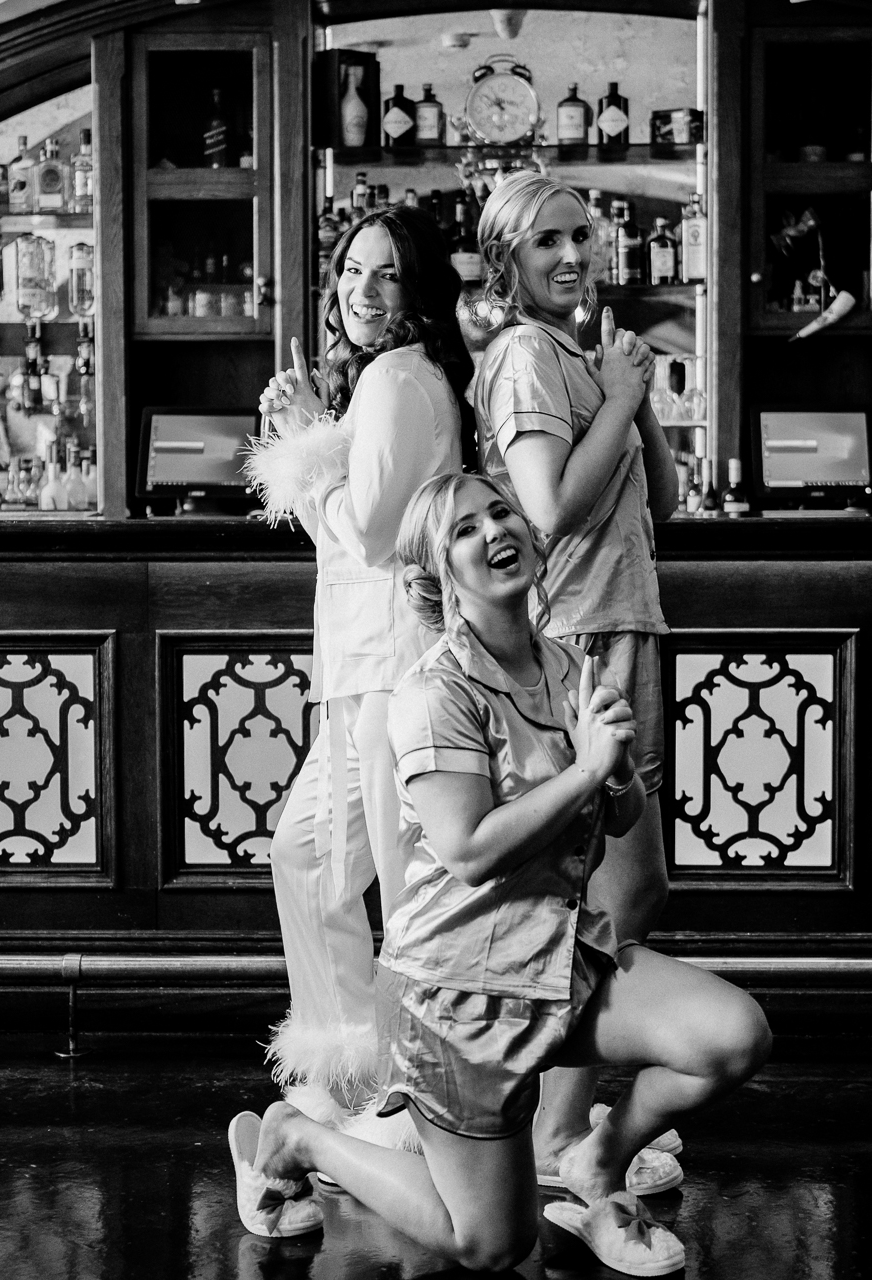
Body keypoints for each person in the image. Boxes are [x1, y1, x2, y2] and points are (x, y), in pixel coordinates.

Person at [226, 473, 770, 1275]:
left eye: (499, 511)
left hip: (555, 954)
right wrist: (586, 772)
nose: (493, 531)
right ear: (438, 574)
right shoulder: (433, 691)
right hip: (453, 994)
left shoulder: (565, 663)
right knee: (493, 1243)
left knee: (733, 1037)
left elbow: (615, 821)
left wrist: (614, 770)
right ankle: (302, 1137)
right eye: (463, 530)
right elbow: (468, 849)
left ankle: (594, 1162)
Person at [469, 170, 683, 1189]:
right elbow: (548, 508)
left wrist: (632, 396)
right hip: (580, 637)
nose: (570, 256)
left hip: (623, 623)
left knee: (619, 885)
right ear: (507, 260)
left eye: (581, 237)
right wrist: (624, 393)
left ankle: (567, 1118)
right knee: (610, 887)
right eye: (546, 241)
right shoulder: (519, 356)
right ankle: (558, 1132)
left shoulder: (579, 355)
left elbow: (666, 500)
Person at [244, 205, 476, 1141]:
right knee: (306, 857)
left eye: (386, 274)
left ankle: (410, 1093)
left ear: (418, 292)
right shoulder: (387, 385)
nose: (361, 290)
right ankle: (355, 1070)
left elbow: (374, 535)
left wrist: (308, 447)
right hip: (364, 667)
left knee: (402, 883)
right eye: (351, 270)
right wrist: (317, 441)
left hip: (392, 670)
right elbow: (362, 519)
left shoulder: (395, 378)